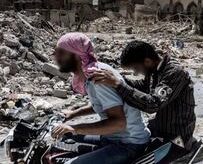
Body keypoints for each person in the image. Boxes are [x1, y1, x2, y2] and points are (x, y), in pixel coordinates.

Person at [91, 40, 196, 163]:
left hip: (176, 138)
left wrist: (119, 85)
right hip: (159, 131)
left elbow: (154, 104)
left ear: (147, 61)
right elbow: (142, 86)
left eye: (136, 68)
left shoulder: (174, 72)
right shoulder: (155, 70)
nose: (136, 72)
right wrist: (119, 78)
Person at [52, 33, 150, 164]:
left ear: (76, 54)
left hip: (128, 143)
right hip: (112, 138)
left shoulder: (98, 77)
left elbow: (119, 123)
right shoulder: (90, 74)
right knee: (63, 139)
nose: (56, 57)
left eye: (61, 52)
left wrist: (75, 128)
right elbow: (102, 105)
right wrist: (73, 114)